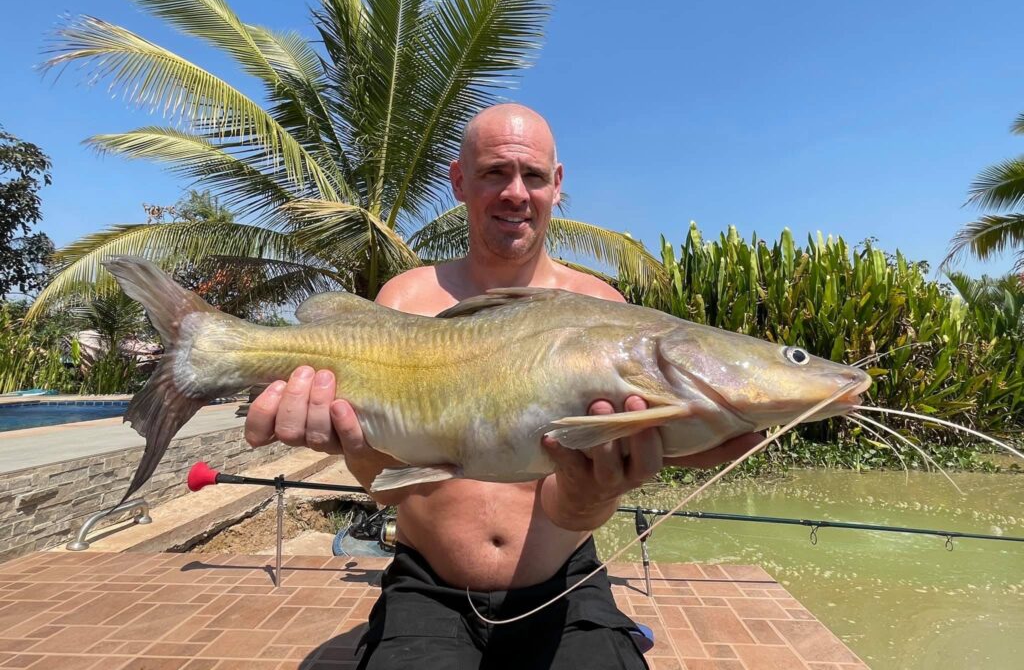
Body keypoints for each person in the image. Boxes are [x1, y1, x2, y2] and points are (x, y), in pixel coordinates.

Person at [245, 104, 762, 668]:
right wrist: (351, 446)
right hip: (428, 584)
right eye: (495, 173)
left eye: (533, 176)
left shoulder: (604, 311)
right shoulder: (402, 301)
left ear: (556, 185)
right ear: (460, 182)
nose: (516, 192)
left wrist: (592, 495)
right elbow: (389, 488)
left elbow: (576, 503)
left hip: (564, 583)